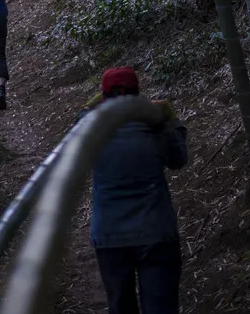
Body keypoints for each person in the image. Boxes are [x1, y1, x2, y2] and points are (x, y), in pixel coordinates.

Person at [87, 67, 188, 314]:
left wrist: (94, 104)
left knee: (120, 306)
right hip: (156, 232)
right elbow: (179, 160)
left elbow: (75, 132)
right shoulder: (155, 128)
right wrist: (172, 120)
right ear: (138, 93)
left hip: (110, 235)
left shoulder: (91, 132)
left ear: (104, 95)